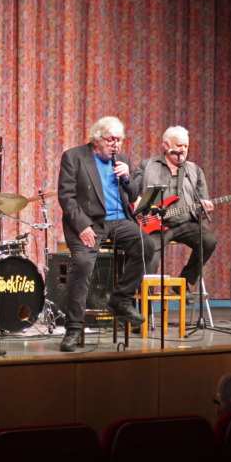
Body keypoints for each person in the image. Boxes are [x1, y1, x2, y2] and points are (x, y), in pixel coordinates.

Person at [57, 116, 154, 352]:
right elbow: (66, 197)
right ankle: (72, 328)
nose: (116, 145)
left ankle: (120, 300)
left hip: (119, 220)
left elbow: (132, 196)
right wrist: (81, 226)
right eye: (111, 140)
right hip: (89, 222)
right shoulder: (74, 157)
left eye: (119, 140)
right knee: (81, 263)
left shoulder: (122, 160)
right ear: (96, 139)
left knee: (146, 245)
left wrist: (127, 177)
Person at [131, 126, 216, 301]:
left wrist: (205, 208)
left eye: (186, 146)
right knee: (149, 257)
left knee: (208, 241)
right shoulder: (147, 165)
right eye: (179, 145)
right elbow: (129, 191)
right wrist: (135, 201)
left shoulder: (194, 171)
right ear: (166, 145)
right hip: (154, 225)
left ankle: (184, 281)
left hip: (186, 223)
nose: (183, 150)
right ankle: (143, 306)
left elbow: (201, 201)